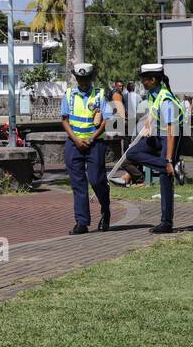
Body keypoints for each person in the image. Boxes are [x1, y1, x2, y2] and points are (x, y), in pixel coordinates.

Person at [120, 63, 186, 234]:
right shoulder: (153, 94)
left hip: (171, 137)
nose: (142, 82)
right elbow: (152, 111)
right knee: (132, 153)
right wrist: (148, 124)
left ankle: (166, 223)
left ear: (153, 80)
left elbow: (172, 132)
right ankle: (167, 167)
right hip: (159, 135)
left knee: (165, 178)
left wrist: (170, 159)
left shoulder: (166, 100)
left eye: (145, 79)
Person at [60, 63, 113, 234]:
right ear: (76, 77)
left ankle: (105, 211)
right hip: (74, 143)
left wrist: (92, 137)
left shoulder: (100, 94)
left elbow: (106, 120)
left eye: (86, 78)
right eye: (79, 78)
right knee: (78, 183)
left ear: (91, 78)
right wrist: (75, 139)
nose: (82, 82)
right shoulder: (69, 94)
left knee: (97, 180)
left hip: (95, 143)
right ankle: (82, 222)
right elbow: (64, 120)